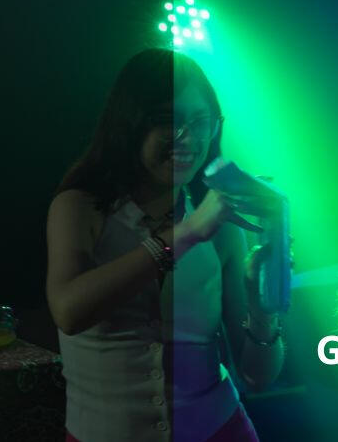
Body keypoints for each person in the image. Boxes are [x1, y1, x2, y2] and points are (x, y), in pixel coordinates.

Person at [46, 48, 288, 442]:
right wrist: (187, 233)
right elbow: (68, 312)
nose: (187, 139)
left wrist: (262, 307)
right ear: (130, 124)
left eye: (201, 122)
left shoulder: (222, 226)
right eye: (169, 122)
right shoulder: (80, 207)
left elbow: (257, 377)